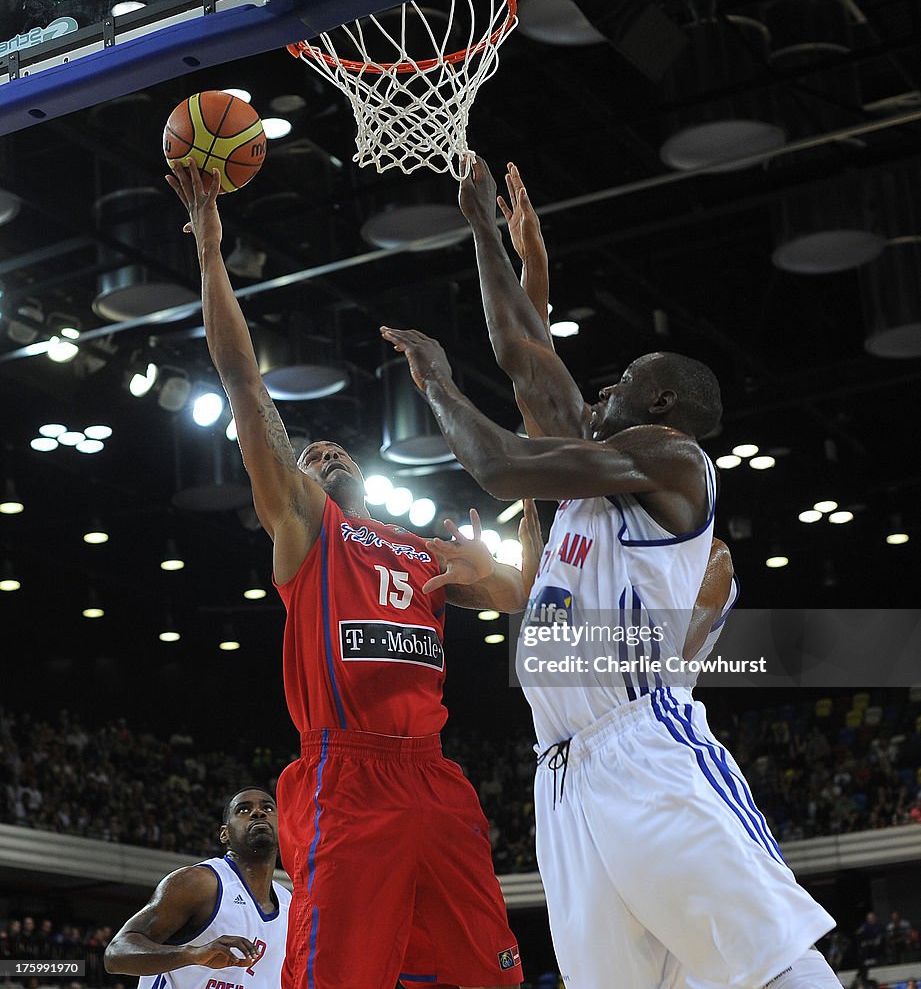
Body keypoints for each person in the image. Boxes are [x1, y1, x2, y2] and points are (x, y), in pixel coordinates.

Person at [380, 154, 841, 989]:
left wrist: (439, 385)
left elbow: (498, 464)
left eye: (624, 382)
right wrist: (483, 228)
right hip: (561, 773)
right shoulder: (589, 478)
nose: (602, 387)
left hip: (642, 746)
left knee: (766, 963)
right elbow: (525, 354)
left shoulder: (672, 463)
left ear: (659, 409)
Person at [166, 159, 524, 989]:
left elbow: (516, 599)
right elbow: (243, 381)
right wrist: (212, 252)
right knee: (337, 977)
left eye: (336, 448)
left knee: (492, 972)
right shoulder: (305, 527)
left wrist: (493, 574)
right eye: (307, 452)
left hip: (433, 773)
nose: (322, 451)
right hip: (346, 775)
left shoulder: (415, 544)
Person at [105, 788, 290, 989]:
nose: (258, 812)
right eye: (244, 810)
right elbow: (115, 955)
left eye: (268, 808)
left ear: (282, 828)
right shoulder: (200, 883)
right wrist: (193, 954)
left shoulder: (290, 903)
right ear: (224, 834)